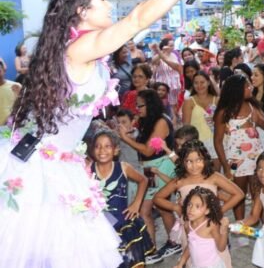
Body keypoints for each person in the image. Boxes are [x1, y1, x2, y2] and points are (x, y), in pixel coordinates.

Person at [0, 0, 228, 267]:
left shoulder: (77, 47)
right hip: (39, 169)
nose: (109, 5)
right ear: (81, 10)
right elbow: (137, 18)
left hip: (56, 161)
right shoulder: (81, 47)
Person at [118, 89, 182, 263]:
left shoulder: (161, 121)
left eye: (140, 106)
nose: (137, 109)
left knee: (162, 207)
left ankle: (174, 242)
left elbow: (148, 150)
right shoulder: (147, 121)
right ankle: (151, 249)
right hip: (149, 168)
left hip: (162, 167)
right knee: (145, 210)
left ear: (150, 105)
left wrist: (125, 138)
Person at [152, 140, 244, 253]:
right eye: (189, 161)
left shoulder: (214, 177)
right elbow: (157, 198)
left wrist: (219, 210)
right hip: (190, 229)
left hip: (213, 228)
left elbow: (239, 194)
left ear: (205, 159)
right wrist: (176, 207)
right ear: (182, 162)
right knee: (192, 255)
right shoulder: (180, 181)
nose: (194, 166)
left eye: (198, 160)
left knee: (217, 254)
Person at [90, 129, 156, 267]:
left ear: (116, 150)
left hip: (123, 224)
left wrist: (136, 203)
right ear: (92, 149)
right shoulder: (87, 169)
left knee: (130, 263)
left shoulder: (123, 168)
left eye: (107, 146)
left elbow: (143, 180)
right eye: (97, 146)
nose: (102, 150)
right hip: (99, 227)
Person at [213, 74, 264, 221]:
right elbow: (217, 141)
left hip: (256, 157)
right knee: (239, 193)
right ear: (236, 90)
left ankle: (262, 223)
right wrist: (225, 166)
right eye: (246, 86)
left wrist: (259, 118)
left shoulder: (252, 106)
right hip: (235, 160)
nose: (250, 87)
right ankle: (240, 225)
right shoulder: (224, 112)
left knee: (258, 192)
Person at [173, 186, 232, 268]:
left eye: (197, 206)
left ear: (207, 210)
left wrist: (224, 230)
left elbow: (221, 248)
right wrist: (181, 263)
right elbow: (190, 245)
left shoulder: (211, 225)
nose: (191, 209)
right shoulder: (187, 225)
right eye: (189, 204)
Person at [182, 71, 219, 164]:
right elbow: (186, 126)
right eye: (196, 83)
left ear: (208, 82)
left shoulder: (217, 100)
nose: (199, 85)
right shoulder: (189, 102)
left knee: (216, 171)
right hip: (198, 143)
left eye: (202, 82)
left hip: (217, 141)